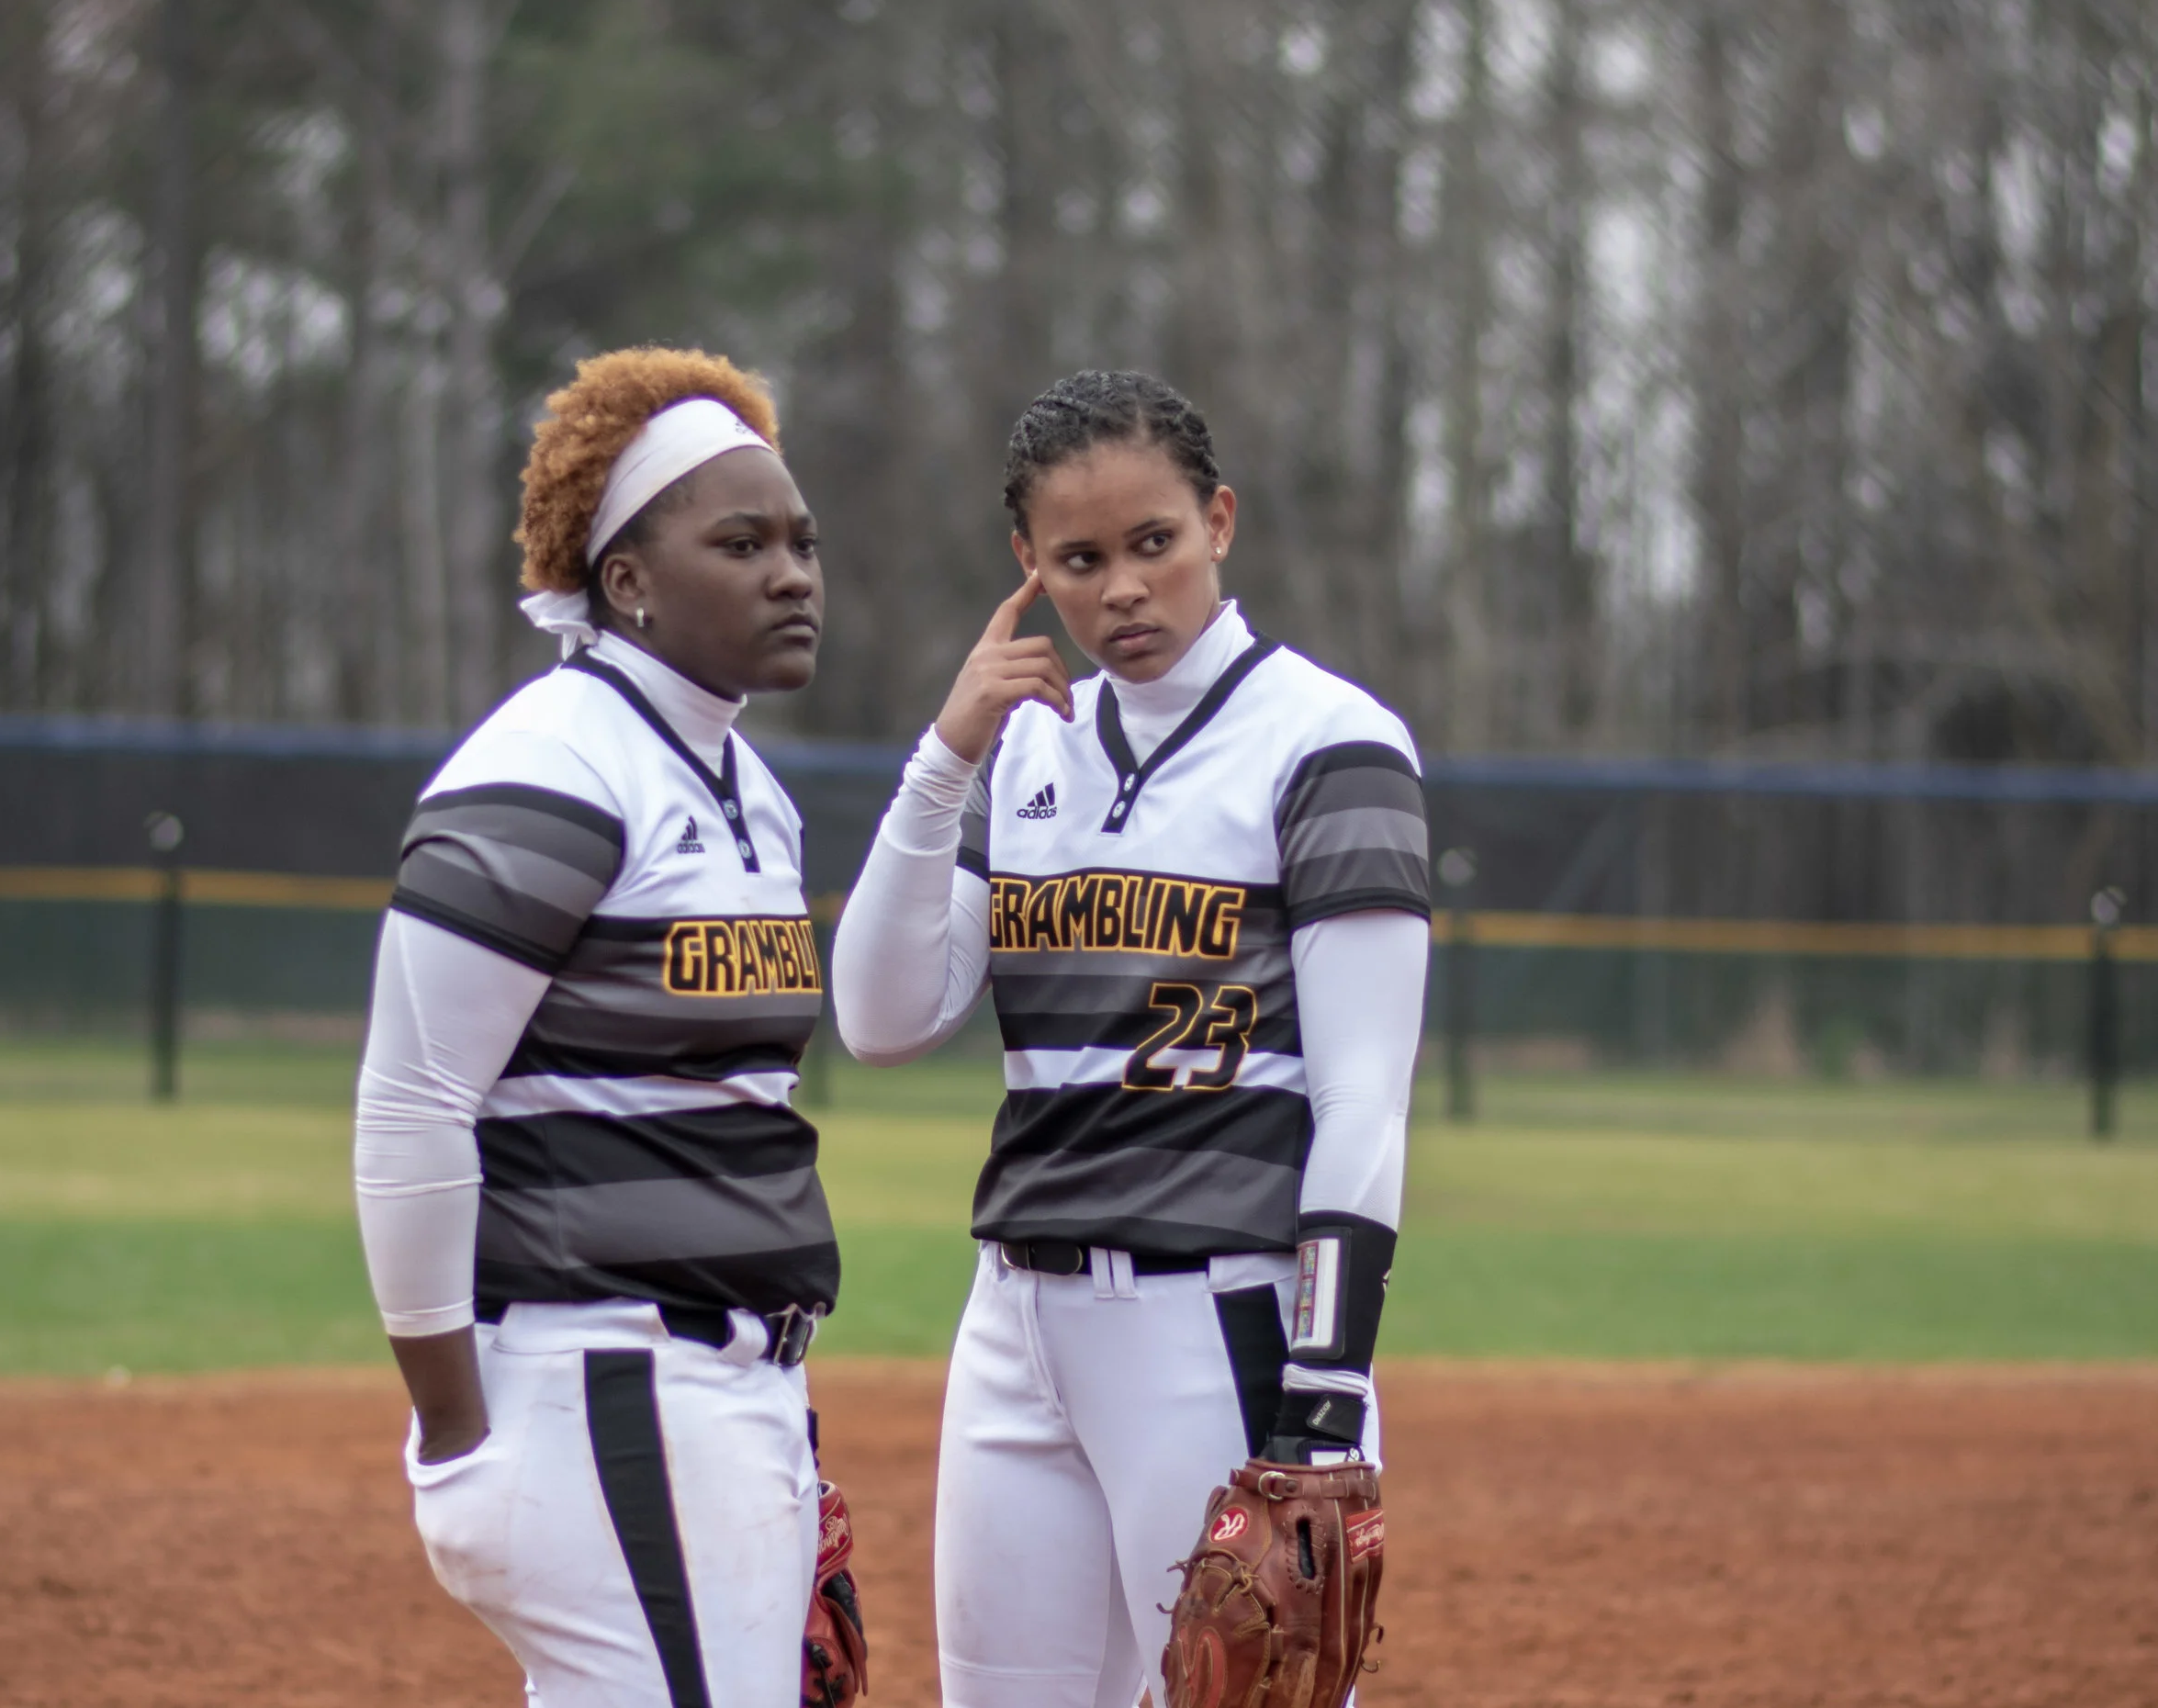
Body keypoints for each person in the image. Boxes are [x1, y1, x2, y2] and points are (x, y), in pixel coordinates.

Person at [831, 368, 1432, 1708]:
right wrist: (943, 758)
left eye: (1154, 542)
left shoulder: (1330, 746)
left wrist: (1325, 1378)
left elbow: (1362, 1100)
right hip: (1015, 1326)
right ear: (1026, 566)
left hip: (1217, 1318)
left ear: (1219, 520)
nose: (1121, 589)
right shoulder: (1024, 751)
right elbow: (878, 1019)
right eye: (1079, 558)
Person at [353, 346, 842, 1706]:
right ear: (623, 581)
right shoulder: (551, 767)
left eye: (802, 541)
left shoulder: (747, 784)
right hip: (600, 1388)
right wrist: (455, 1425)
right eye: (740, 542)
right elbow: (410, 1103)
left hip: (718, 1396)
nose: (791, 572)